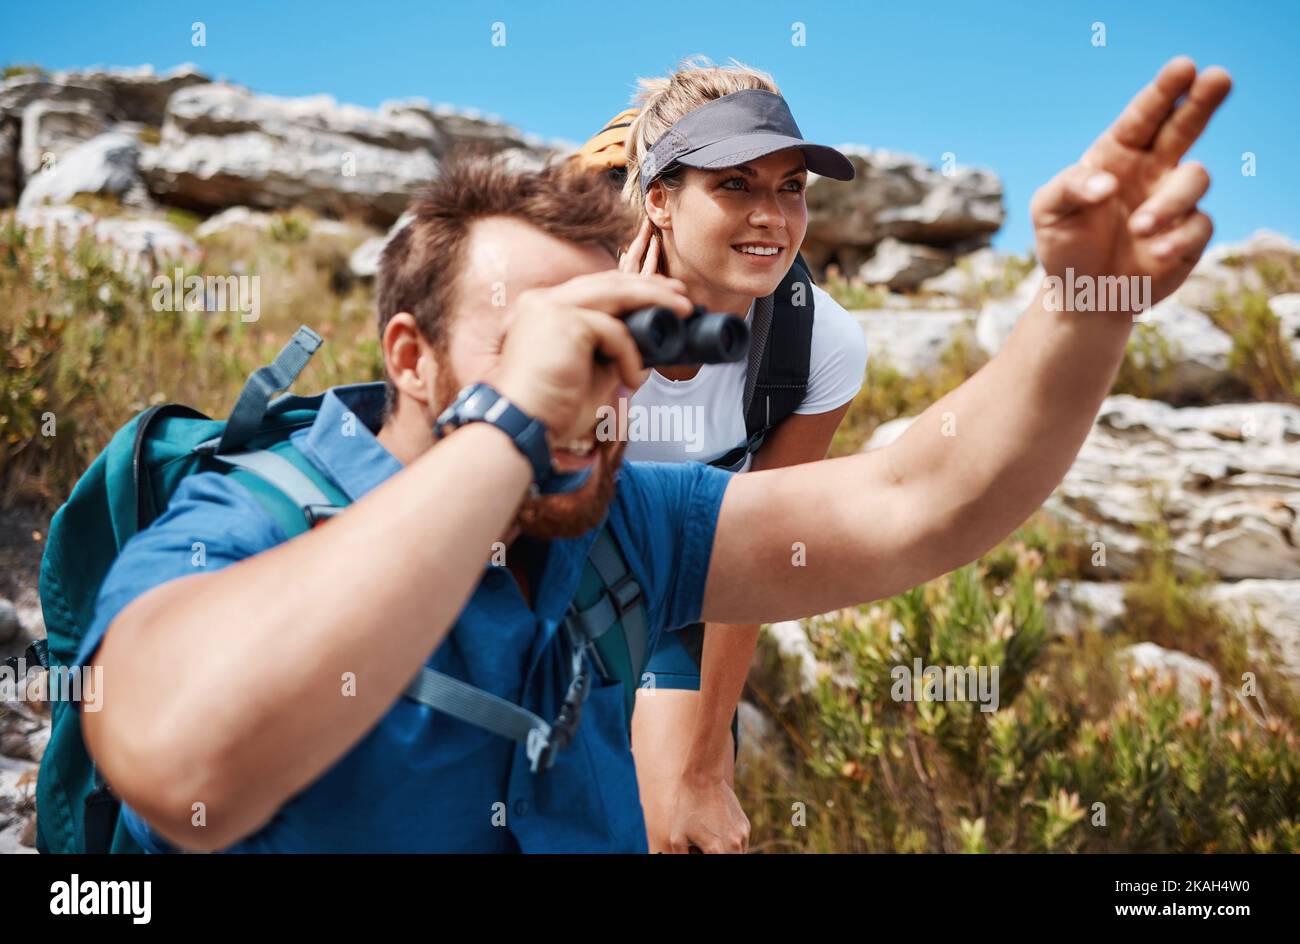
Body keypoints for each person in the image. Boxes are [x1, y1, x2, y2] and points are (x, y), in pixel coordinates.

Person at [78, 57, 1229, 852]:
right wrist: (512, 430)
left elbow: (916, 496)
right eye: (540, 337)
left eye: (612, 335)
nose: (594, 371)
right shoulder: (252, 519)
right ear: (410, 357)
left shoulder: (630, 524)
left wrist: (1085, 304)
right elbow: (188, 764)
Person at [571, 58, 867, 854]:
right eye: (735, 184)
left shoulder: (819, 344)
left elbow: (757, 552)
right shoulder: (568, 291)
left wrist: (708, 771)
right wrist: (605, 377)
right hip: (537, 553)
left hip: (678, 586)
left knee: (673, 831)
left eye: (791, 187)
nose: (772, 216)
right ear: (660, 200)